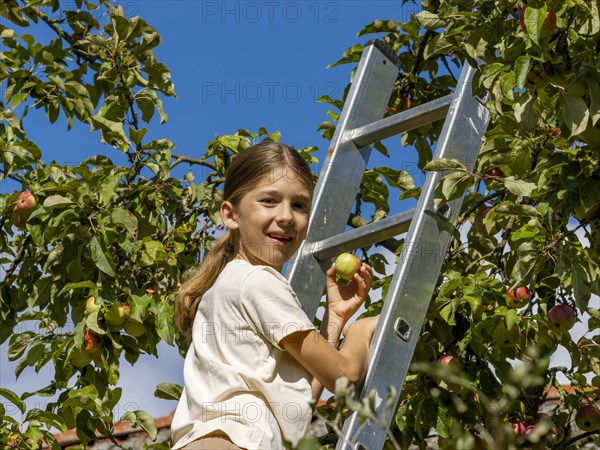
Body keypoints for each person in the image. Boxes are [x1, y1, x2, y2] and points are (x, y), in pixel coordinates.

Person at [170, 141, 379, 450]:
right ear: (230, 214)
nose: (286, 216)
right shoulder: (258, 281)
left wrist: (335, 317)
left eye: (299, 205)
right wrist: (360, 331)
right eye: (269, 201)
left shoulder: (228, 282)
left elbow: (295, 404)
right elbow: (344, 379)